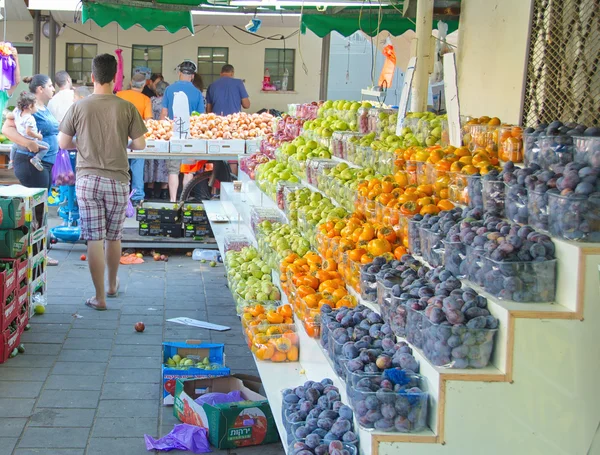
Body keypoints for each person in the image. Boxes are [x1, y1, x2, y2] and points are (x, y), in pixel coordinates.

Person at [58, 53, 147, 311]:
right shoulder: (126, 107)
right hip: (118, 180)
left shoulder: (79, 107)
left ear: (93, 77)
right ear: (115, 78)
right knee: (113, 236)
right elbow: (140, 144)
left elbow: (63, 143)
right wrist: (123, 143)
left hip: (87, 180)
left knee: (94, 238)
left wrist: (83, 144)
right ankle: (111, 284)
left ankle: (100, 297)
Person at [2, 74, 60, 266]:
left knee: (40, 209)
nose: (54, 88)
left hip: (44, 163)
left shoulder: (43, 108)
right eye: (51, 85)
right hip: (30, 162)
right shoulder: (29, 107)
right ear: (40, 89)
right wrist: (28, 143)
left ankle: (37, 252)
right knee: (38, 210)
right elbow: (7, 129)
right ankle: (37, 254)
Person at [160, 60, 205, 202]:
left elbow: (164, 114)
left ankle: (173, 200)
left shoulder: (169, 89)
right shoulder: (198, 93)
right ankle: (184, 200)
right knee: (188, 170)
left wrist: (162, 132)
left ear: (179, 73)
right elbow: (201, 118)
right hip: (190, 136)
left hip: (173, 135)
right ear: (192, 76)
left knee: (173, 170)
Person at [116, 73, 152, 204]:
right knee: (137, 167)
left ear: (131, 83)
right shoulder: (145, 99)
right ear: (143, 85)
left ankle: (119, 195)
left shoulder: (119, 95)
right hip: (137, 137)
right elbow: (148, 121)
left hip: (118, 137)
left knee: (119, 167)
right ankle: (137, 197)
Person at [9, 91, 49, 171]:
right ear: (30, 106)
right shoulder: (30, 118)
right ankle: (36, 159)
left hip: (19, 143)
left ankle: (11, 161)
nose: (37, 107)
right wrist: (38, 136)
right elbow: (29, 132)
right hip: (30, 143)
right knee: (46, 147)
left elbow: (9, 115)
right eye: (36, 105)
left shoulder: (18, 113)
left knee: (13, 147)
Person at [145, 80, 169, 199]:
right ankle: (164, 191)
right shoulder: (168, 103)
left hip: (153, 134)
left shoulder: (151, 101)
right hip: (165, 135)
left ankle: (150, 188)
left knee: (151, 162)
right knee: (164, 163)